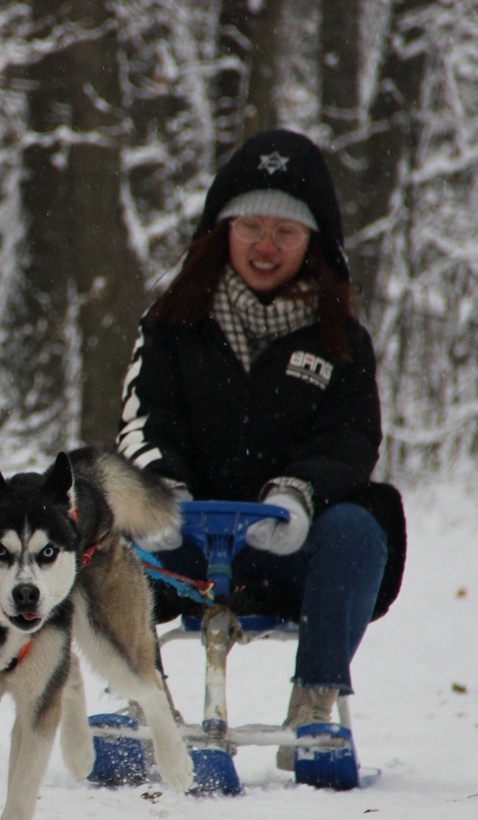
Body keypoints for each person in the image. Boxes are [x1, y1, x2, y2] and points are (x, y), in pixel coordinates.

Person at [116, 128, 406, 771]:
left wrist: (296, 496)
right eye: (251, 227)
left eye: (286, 232)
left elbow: (351, 439)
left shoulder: (342, 342)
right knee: (102, 521)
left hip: (288, 547)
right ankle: (146, 706)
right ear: (223, 229)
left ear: (314, 244)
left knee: (364, 526)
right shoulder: (168, 325)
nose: (265, 246)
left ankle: (314, 704)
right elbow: (143, 423)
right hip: (183, 547)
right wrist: (162, 496)